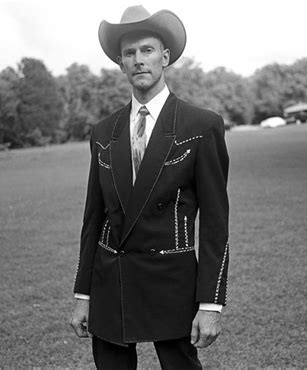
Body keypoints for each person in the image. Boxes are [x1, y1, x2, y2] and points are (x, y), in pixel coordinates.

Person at [70, 5, 229, 369]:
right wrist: (83, 294)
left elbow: (216, 225)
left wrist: (210, 304)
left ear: (165, 57)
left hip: (170, 283)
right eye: (130, 53)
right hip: (112, 282)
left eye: (147, 50)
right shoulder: (103, 133)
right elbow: (93, 219)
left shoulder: (200, 126)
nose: (139, 60)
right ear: (120, 63)